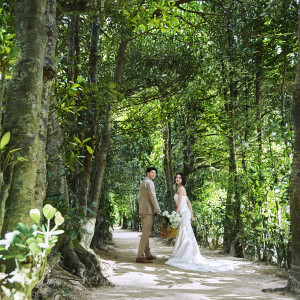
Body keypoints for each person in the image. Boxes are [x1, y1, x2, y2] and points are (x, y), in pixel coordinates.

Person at [166, 173, 236, 272]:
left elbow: (178, 203)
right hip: (185, 213)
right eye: (176, 177)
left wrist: (175, 214)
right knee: (186, 232)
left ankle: (185, 255)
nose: (177, 179)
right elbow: (188, 202)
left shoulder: (181, 189)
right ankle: (185, 254)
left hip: (182, 213)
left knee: (184, 232)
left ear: (182, 179)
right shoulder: (181, 188)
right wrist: (191, 214)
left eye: (180, 178)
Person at [136, 167, 161, 263]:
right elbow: (153, 197)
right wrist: (158, 209)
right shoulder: (150, 183)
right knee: (146, 233)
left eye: (155, 173)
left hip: (143, 210)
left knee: (145, 232)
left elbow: (140, 198)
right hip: (148, 210)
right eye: (152, 173)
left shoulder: (143, 182)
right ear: (147, 173)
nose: (154, 174)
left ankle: (147, 254)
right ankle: (139, 255)